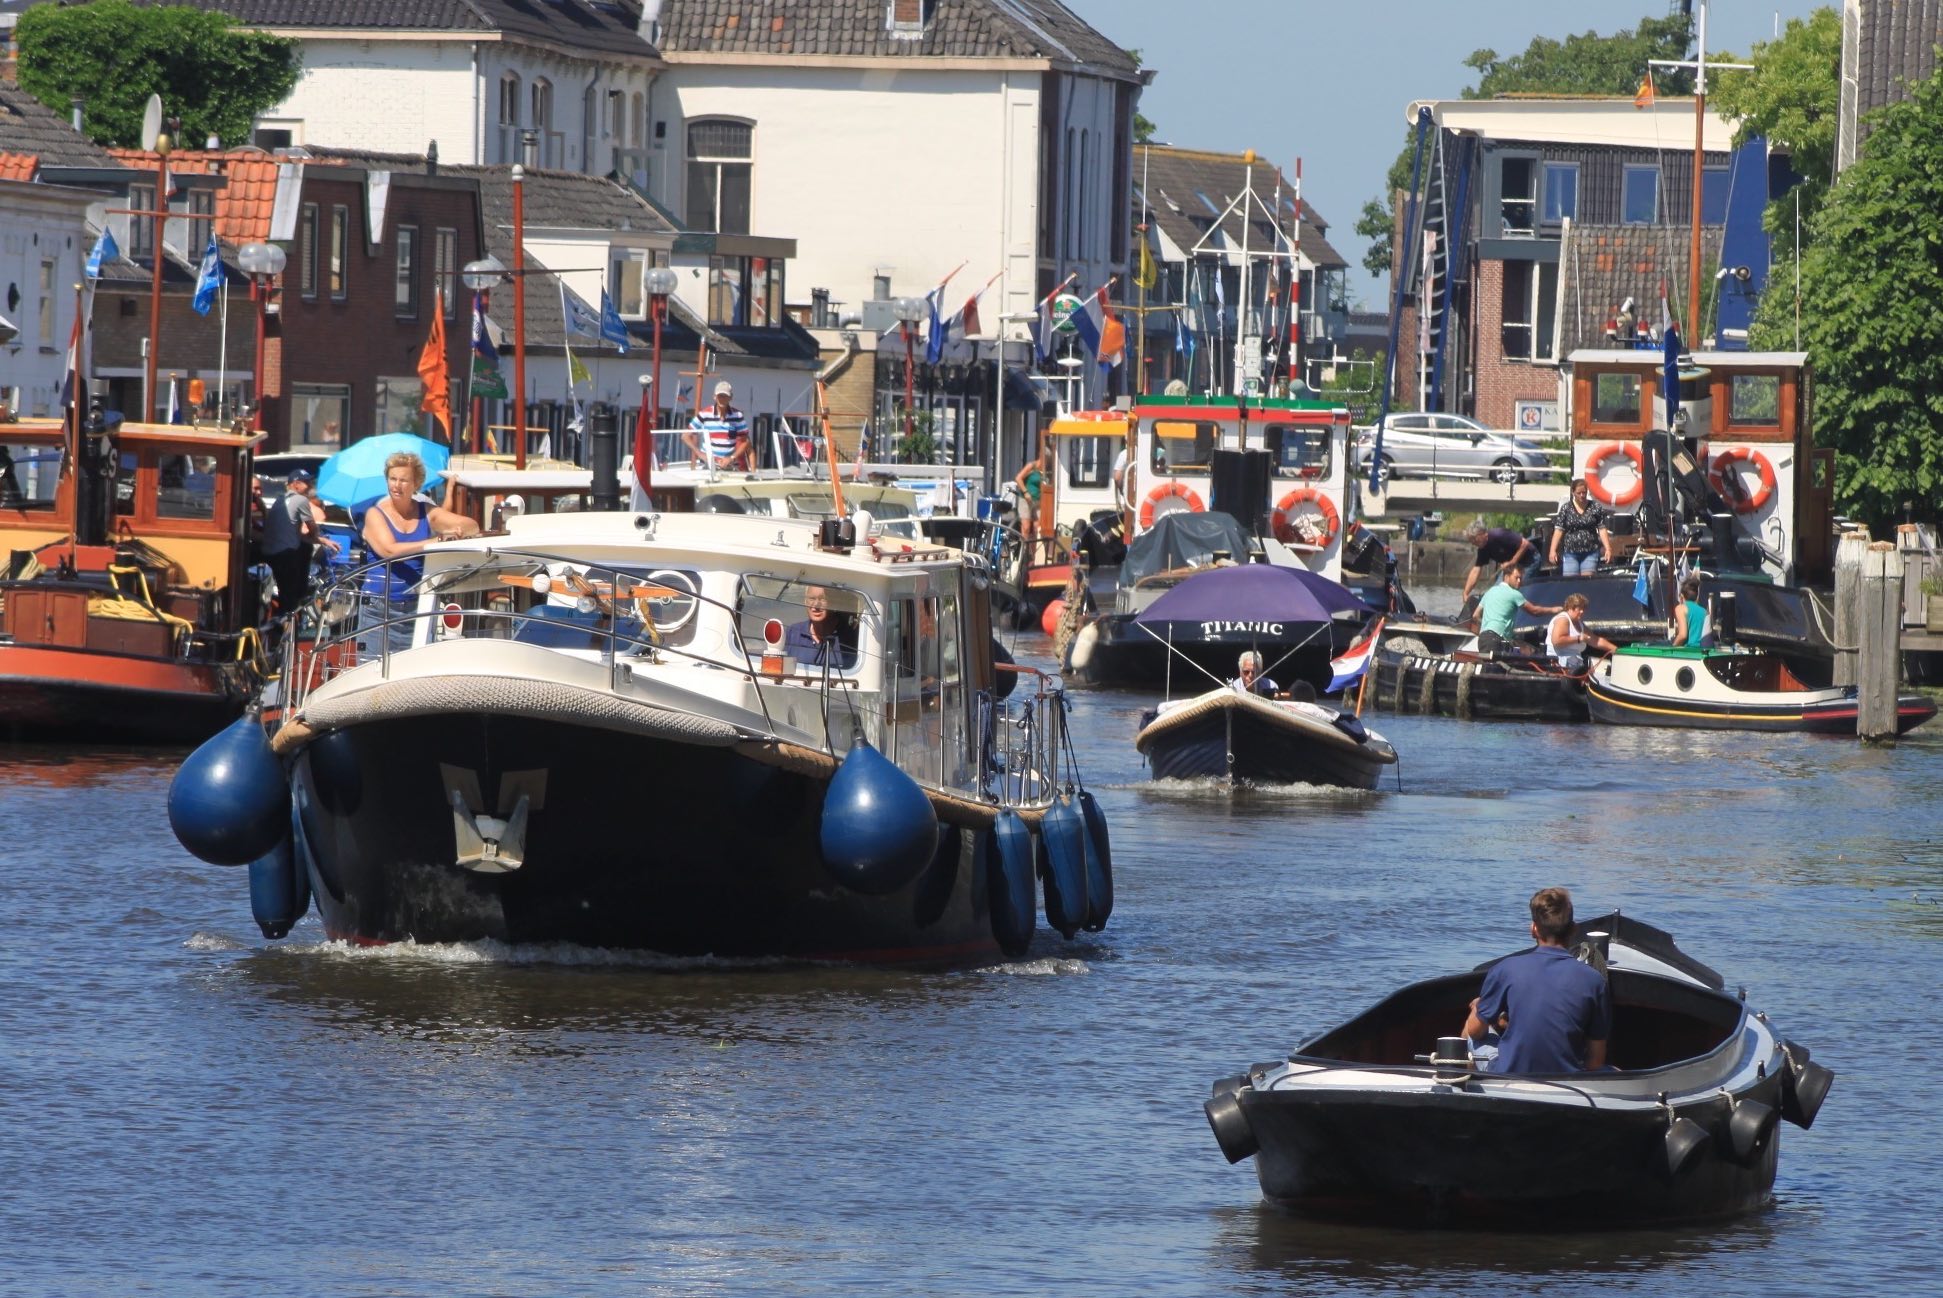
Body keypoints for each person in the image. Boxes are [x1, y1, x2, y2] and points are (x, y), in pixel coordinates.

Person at [1462, 887, 1611, 1074]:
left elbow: (1476, 1032)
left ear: (1533, 929)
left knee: (1470, 1034)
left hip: (1510, 1074)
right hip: (1568, 1081)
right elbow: (1595, 1062)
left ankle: (1466, 1085)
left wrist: (1478, 1006)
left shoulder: (1505, 969)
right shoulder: (1594, 980)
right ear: (1573, 930)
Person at [360, 452, 479, 651]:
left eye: (404, 480)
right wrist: (436, 541)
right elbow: (390, 550)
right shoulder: (375, 514)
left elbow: (472, 526)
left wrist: (456, 531)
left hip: (417, 607)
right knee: (373, 674)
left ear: (416, 484)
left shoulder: (426, 511)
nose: (397, 485)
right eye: (393, 479)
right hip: (378, 609)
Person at [260, 468, 338, 611]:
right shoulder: (300, 500)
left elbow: (293, 533)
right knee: (294, 594)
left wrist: (323, 541)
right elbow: (312, 528)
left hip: (272, 553)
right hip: (286, 554)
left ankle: (285, 620)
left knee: (286, 595)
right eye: (306, 483)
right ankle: (290, 619)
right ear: (296, 484)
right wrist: (318, 536)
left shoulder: (280, 500)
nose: (310, 486)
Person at [1475, 564, 1561, 654]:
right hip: (1496, 640)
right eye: (1516, 578)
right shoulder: (1514, 594)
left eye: (1521, 578)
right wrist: (1554, 610)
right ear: (1507, 577)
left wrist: (1487, 628)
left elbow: (1475, 615)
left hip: (1483, 639)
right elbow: (1534, 611)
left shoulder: (1490, 591)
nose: (1519, 581)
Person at [1458, 522, 1537, 608]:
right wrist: (1466, 592)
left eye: (1474, 539)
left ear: (1481, 534)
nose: (1472, 543)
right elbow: (1476, 570)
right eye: (1471, 541)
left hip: (1530, 560)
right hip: (1512, 566)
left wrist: (1513, 561)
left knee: (1513, 588)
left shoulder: (1499, 535)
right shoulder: (1482, 549)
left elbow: (1525, 543)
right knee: (1496, 592)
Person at [1549, 478, 1614, 577]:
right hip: (1570, 552)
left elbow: (1602, 529)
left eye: (1584, 492)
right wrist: (1552, 550)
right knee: (1570, 582)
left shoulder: (1595, 507)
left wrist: (1608, 549)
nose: (1582, 495)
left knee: (1587, 580)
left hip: (1590, 551)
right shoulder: (1566, 508)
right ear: (1573, 492)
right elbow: (1559, 530)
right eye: (1579, 493)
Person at [684, 380, 751, 470]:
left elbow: (745, 441)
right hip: (708, 465)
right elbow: (685, 436)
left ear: (730, 398)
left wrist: (731, 458)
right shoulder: (705, 414)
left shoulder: (738, 416)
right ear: (714, 397)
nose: (722, 399)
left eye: (725, 396)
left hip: (729, 466)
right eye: (720, 396)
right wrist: (699, 454)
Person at [783, 585, 854, 668]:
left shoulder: (849, 638)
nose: (816, 605)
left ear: (834, 603)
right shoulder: (793, 633)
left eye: (823, 599)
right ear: (805, 602)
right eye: (812, 598)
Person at [1545, 593, 1616, 671]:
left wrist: (1616, 650)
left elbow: (1596, 640)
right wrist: (1578, 638)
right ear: (1571, 607)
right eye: (1579, 609)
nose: (1582, 611)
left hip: (1575, 665)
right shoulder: (1563, 619)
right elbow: (1557, 641)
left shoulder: (1579, 623)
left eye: (1583, 609)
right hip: (1560, 666)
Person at [1013, 445, 1050, 550]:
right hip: (1025, 500)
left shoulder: (1045, 470)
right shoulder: (1031, 466)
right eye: (1046, 459)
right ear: (1042, 457)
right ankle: (1023, 552)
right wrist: (1025, 492)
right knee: (1026, 527)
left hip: (1038, 501)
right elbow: (1018, 478)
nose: (1047, 462)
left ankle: (1032, 554)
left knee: (1037, 527)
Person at [1670, 576, 1708, 648]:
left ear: (1681, 596)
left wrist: (1672, 647)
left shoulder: (1680, 608)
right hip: (1702, 650)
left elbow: (1683, 635)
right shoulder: (1705, 611)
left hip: (1689, 651)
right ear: (1697, 596)